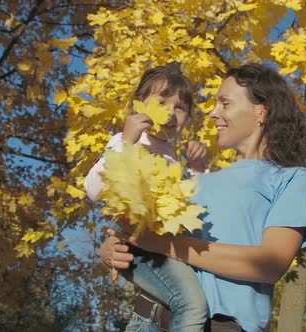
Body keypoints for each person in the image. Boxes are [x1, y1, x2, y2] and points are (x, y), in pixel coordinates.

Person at [102, 63, 306, 332]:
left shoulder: (291, 179)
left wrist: (164, 245)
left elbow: (270, 264)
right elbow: (141, 231)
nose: (213, 114)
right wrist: (113, 248)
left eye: (224, 103)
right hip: (146, 322)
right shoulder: (192, 180)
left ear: (261, 110)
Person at [85, 63, 209, 331]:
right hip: (133, 237)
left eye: (180, 107)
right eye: (161, 102)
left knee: (168, 306)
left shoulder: (174, 156)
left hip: (161, 243)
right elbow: (93, 190)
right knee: (192, 305)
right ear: (138, 104)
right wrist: (126, 142)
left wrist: (197, 170)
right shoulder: (126, 139)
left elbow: (190, 211)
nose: (170, 113)